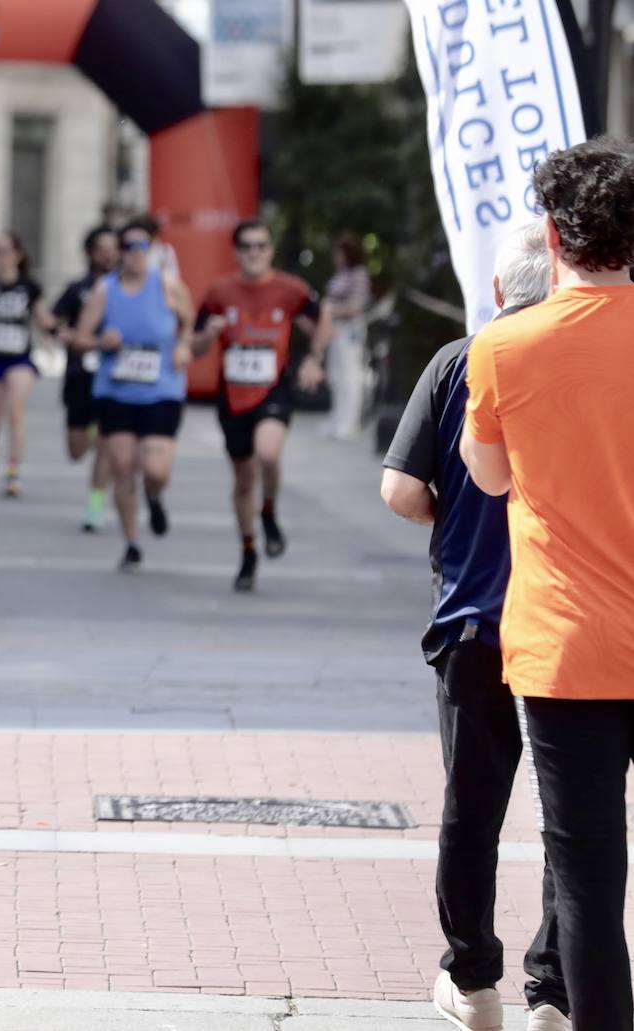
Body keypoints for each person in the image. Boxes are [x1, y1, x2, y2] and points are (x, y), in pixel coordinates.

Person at [460, 137, 634, 1031]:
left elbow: (487, 479)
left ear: (555, 241)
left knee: (590, 885)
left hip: (568, 647)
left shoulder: (503, 349)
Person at [382, 219, 569, 1031]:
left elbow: (399, 488)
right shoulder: (584, 358)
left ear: (497, 292)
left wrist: (451, 513)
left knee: (473, 806)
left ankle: (473, 980)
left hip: (474, 619)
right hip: (570, 620)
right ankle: (555, 988)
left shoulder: (460, 361)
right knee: (574, 809)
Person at [190, 218, 331, 592]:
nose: (254, 253)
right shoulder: (220, 292)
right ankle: (249, 550)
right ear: (236, 252)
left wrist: (314, 358)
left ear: (270, 250)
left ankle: (268, 509)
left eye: (261, 246)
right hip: (233, 396)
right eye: (247, 247)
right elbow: (195, 346)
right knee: (242, 478)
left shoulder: (289, 289)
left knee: (267, 455)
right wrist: (209, 334)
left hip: (273, 390)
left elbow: (322, 318)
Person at [76, 218, 194, 571]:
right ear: (119, 253)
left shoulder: (168, 286)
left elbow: (190, 323)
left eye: (144, 246)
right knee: (123, 467)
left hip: (162, 390)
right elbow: (80, 338)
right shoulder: (104, 290)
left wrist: (184, 346)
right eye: (129, 247)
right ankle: (131, 542)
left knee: (155, 469)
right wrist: (100, 341)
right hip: (116, 391)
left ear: (154, 250)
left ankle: (155, 496)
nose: (136, 254)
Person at [0, 231, 57, 497]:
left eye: (6, 252)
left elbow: (43, 318)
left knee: (16, 413)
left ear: (18, 255)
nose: (1, 258)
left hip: (20, 358)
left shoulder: (29, 286)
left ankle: (13, 471)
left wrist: (53, 335)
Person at [53, 226, 119, 532]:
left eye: (113, 247)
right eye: (101, 248)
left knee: (106, 443)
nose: (108, 254)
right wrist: (71, 338)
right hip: (80, 373)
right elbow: (55, 323)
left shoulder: (127, 288)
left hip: (114, 376)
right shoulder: (78, 288)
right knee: (77, 450)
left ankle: (95, 504)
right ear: (90, 252)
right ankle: (93, 433)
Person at [322, 231, 373, 439]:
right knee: (335, 375)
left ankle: (349, 421)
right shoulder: (341, 274)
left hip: (349, 331)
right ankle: (337, 416)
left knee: (349, 376)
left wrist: (332, 310)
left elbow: (357, 307)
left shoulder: (359, 274)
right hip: (334, 329)